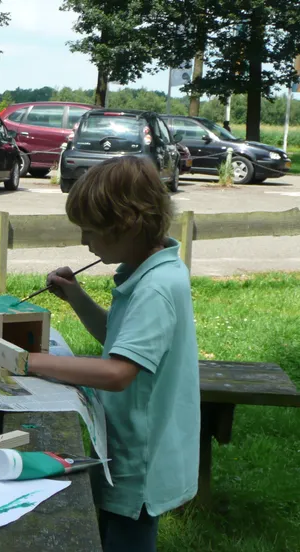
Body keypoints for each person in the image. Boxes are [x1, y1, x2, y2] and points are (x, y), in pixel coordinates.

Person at [25, 157, 200, 552]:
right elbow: (118, 339)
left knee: (125, 541)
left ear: (127, 224)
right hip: (130, 444)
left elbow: (119, 371)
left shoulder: (156, 287)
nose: (85, 242)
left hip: (140, 457)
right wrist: (76, 295)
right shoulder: (153, 271)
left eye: (90, 231)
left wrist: (29, 363)